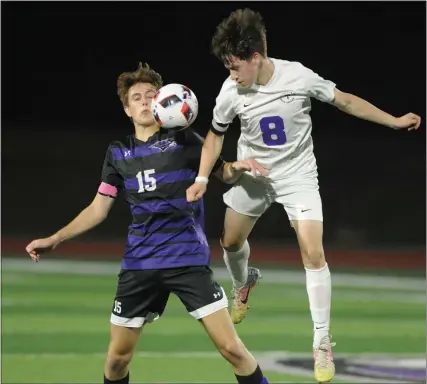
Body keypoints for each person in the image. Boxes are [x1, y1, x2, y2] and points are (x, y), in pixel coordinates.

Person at [186, 8, 422, 384]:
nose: (231, 75)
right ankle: (243, 283)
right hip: (254, 175)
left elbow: (343, 100)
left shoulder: (298, 75)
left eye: (235, 67)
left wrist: (392, 120)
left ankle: (322, 341)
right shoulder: (231, 92)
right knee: (230, 242)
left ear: (256, 57)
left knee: (313, 253)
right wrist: (202, 176)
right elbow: (215, 135)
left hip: (297, 176)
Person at [25, 63, 271, 384]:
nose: (143, 102)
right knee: (116, 360)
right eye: (136, 98)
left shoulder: (186, 141)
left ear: (161, 102)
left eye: (150, 96)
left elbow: (222, 172)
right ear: (127, 108)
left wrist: (238, 166)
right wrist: (55, 238)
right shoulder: (118, 153)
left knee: (232, 349)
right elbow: (99, 208)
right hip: (140, 264)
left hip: (187, 262)